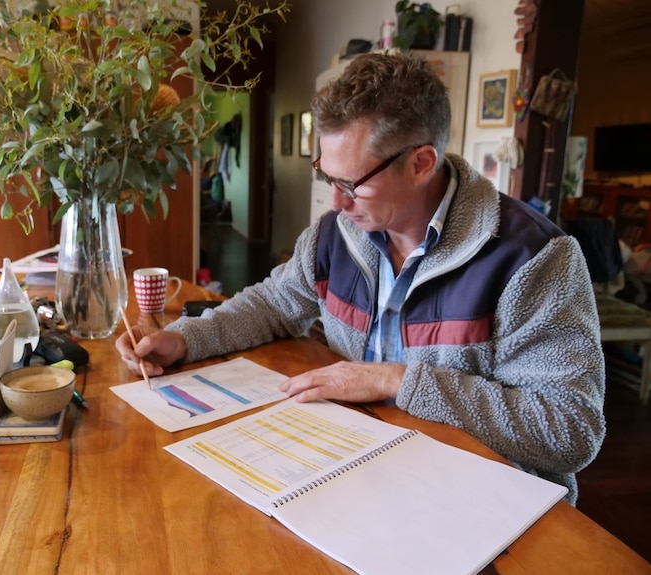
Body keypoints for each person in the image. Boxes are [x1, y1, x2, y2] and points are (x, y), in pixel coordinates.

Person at [116, 52, 605, 504]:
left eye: (351, 184)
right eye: (328, 177)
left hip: (481, 501)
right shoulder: (335, 234)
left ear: (421, 163)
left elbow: (571, 431)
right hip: (361, 472)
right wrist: (183, 339)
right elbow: (271, 303)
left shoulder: (533, 258)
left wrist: (395, 380)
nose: (335, 202)